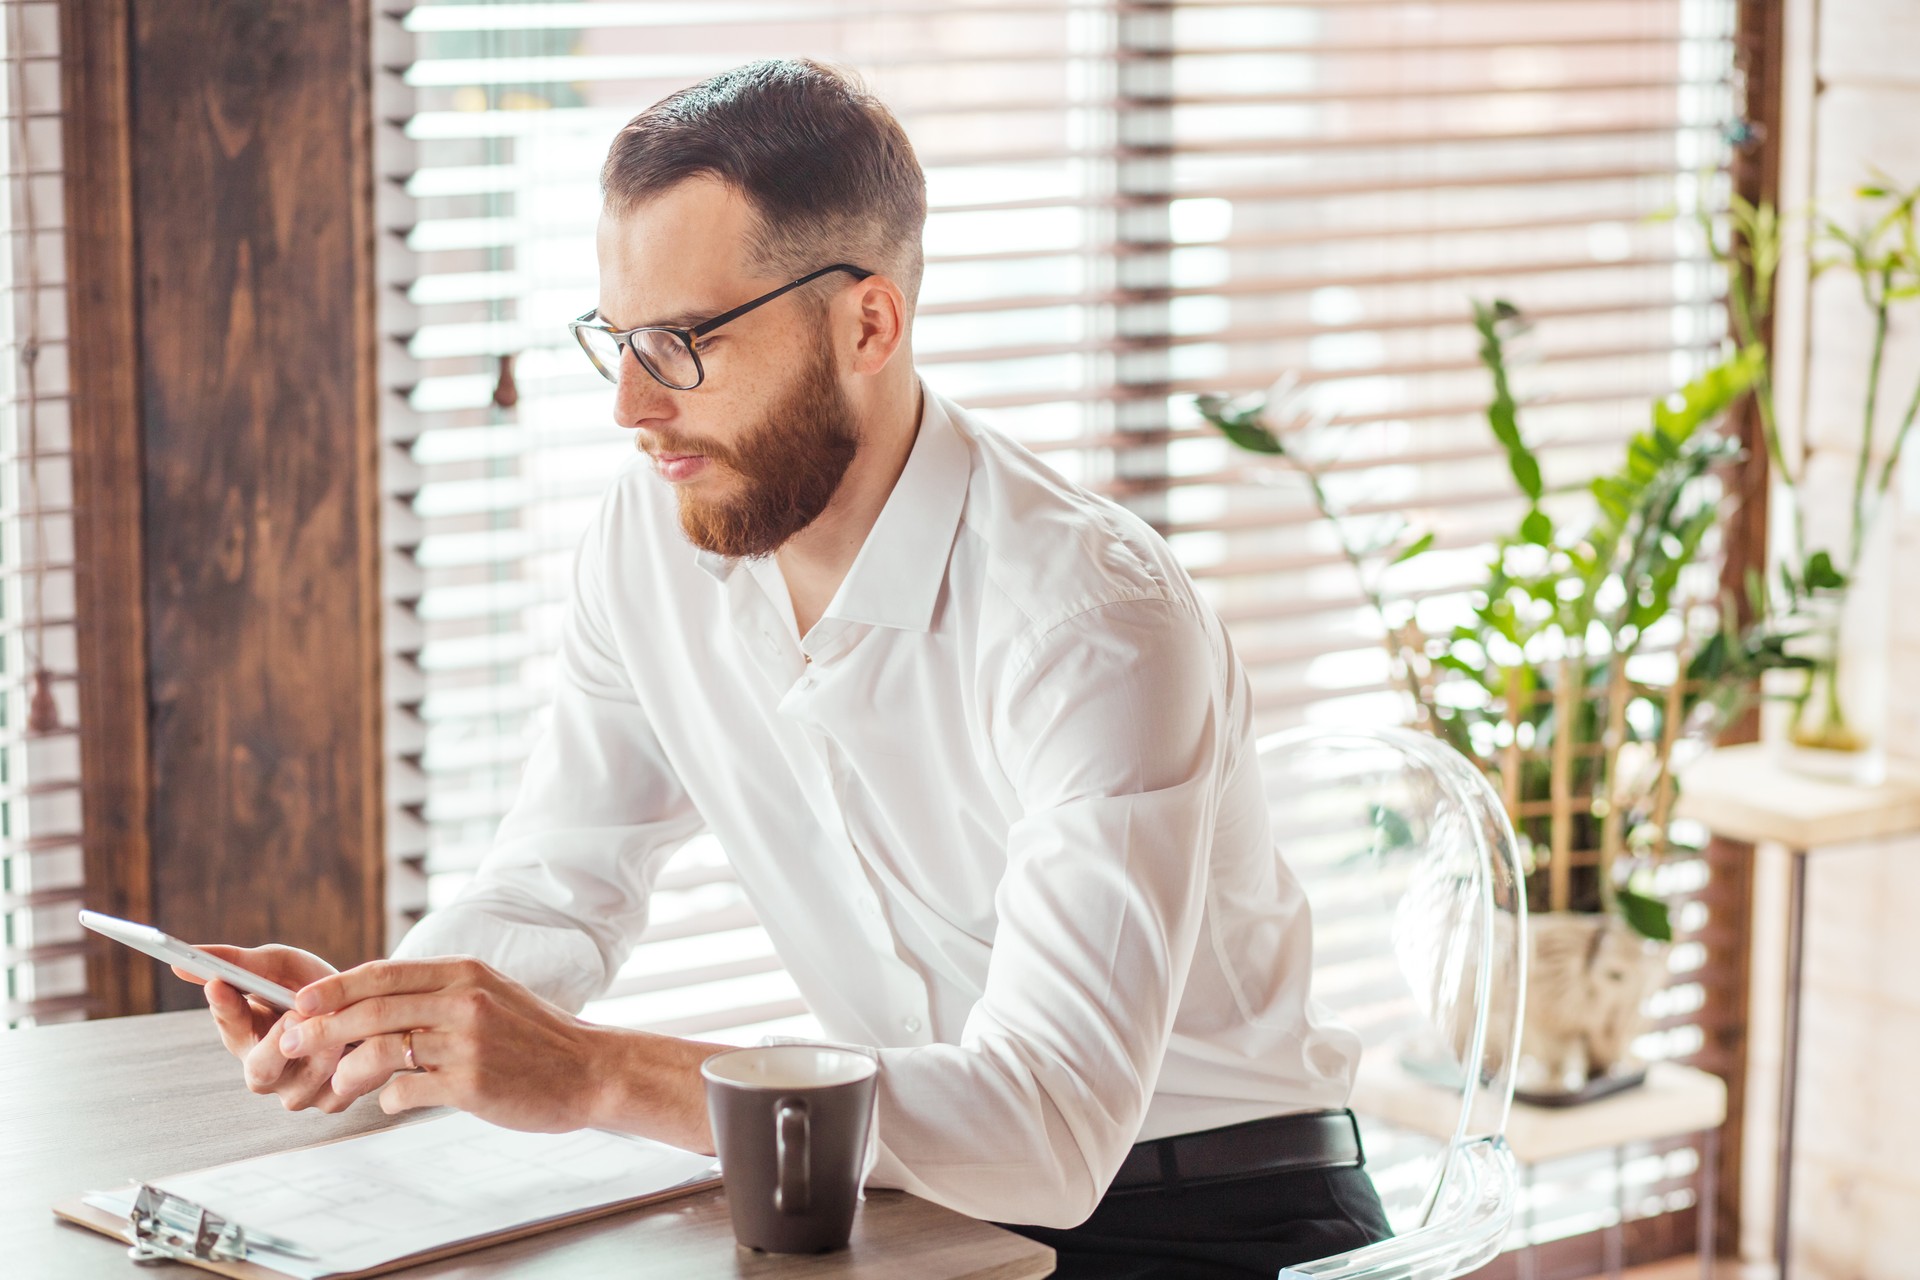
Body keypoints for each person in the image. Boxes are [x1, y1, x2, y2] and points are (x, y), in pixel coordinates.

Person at [182, 57, 1391, 1279]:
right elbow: (557, 886)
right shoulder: (649, 539)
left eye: (684, 342)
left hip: (1218, 1215)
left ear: (869, 321)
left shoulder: (1087, 619)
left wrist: (596, 1070)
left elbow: (1049, 1132)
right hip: (896, 1197)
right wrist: (387, 1015)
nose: (633, 406)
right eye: (617, 339)